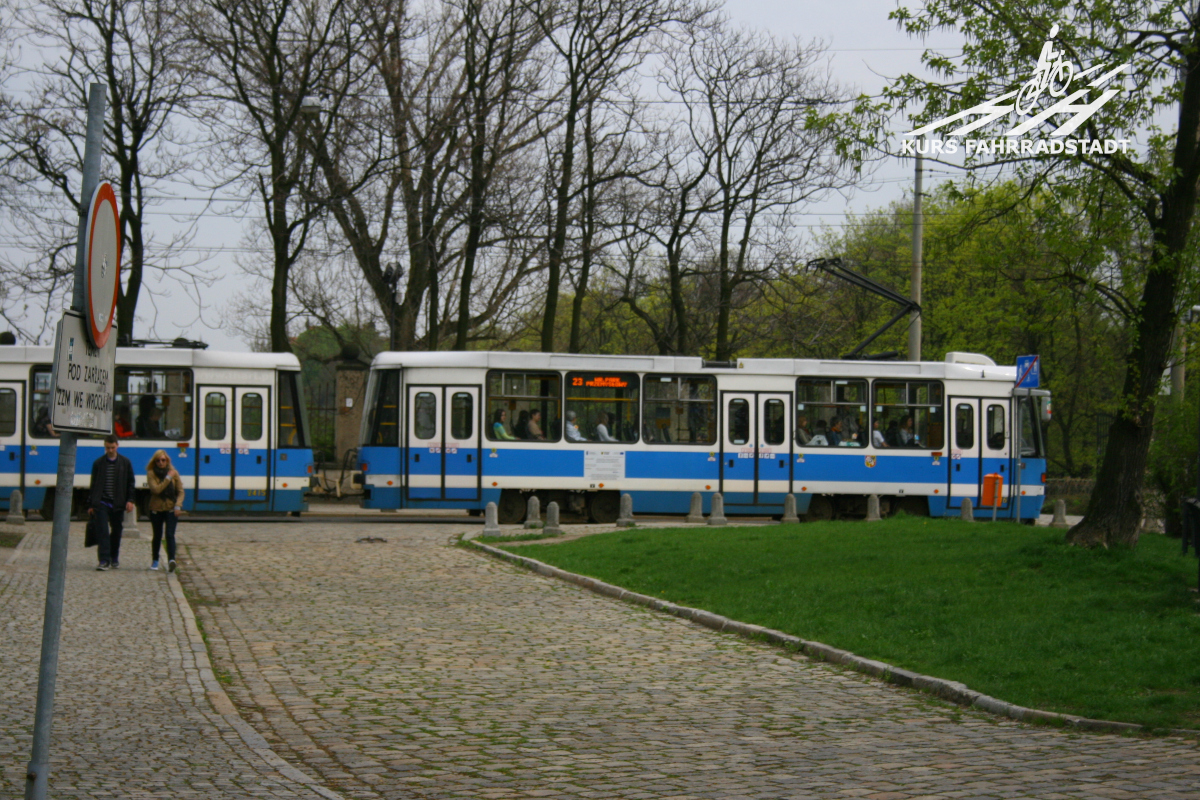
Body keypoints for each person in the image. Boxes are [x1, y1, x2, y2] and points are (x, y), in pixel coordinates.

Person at [88, 434, 136, 571]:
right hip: (102, 502)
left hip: (118, 502)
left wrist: (130, 500)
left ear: (117, 446)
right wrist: (91, 504)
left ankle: (114, 557)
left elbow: (130, 483)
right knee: (102, 531)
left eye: (112, 447)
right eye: (108, 448)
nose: (110, 450)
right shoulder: (98, 463)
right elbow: (93, 484)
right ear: (105, 446)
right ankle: (104, 560)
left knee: (116, 531)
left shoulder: (125, 463)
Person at [146, 450, 184, 572]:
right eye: (158, 461)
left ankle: (171, 560)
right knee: (157, 535)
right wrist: (168, 478)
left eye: (163, 460)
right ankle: (155, 560)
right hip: (156, 509)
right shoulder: (151, 473)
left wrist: (178, 505)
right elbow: (156, 490)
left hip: (171, 508)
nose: (161, 463)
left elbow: (180, 491)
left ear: (167, 460)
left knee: (169, 534)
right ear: (154, 462)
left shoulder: (174, 473)